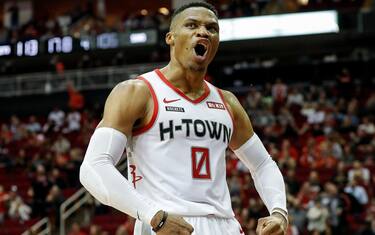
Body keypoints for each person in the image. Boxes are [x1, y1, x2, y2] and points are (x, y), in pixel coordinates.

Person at [80, 2, 288, 235]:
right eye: (192, 25)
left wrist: (279, 212)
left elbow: (262, 164)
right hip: (165, 223)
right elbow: (93, 167)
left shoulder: (227, 102)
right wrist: (153, 215)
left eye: (212, 28)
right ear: (170, 37)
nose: (203, 32)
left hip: (224, 226)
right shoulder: (138, 91)